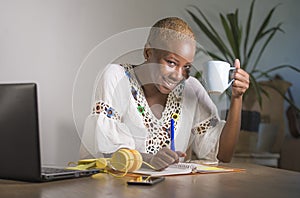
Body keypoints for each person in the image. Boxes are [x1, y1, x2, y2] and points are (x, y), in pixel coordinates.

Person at [80, 17, 249, 170]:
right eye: (171, 62)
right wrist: (148, 159)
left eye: (186, 67)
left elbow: (223, 155)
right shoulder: (116, 77)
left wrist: (237, 98)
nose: (177, 75)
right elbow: (104, 150)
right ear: (148, 53)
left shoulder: (192, 89)